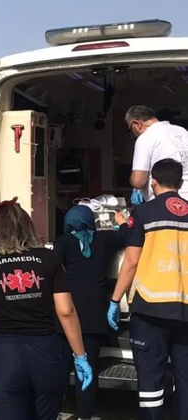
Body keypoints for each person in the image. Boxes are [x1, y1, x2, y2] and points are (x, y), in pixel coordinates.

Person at [0, 199, 93, 420]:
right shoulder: (48, 258)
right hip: (46, 352)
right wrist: (80, 355)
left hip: (5, 354)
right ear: (27, 227)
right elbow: (66, 311)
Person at [109, 158, 188, 420]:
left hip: (150, 307)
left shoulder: (143, 214)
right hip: (185, 310)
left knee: (151, 382)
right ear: (180, 183)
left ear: (152, 182)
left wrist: (115, 299)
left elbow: (131, 262)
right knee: (185, 381)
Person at [54, 205, 127, 420]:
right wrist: (120, 222)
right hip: (94, 313)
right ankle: (84, 415)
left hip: (68, 313)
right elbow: (125, 236)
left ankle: (54, 411)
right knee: (87, 370)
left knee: (60, 366)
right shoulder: (104, 239)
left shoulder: (64, 242)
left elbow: (50, 266)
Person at [126, 105, 188, 204]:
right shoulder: (183, 132)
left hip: (167, 204)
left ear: (137, 123)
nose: (133, 135)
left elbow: (138, 181)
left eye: (130, 130)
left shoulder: (146, 137)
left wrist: (134, 184)